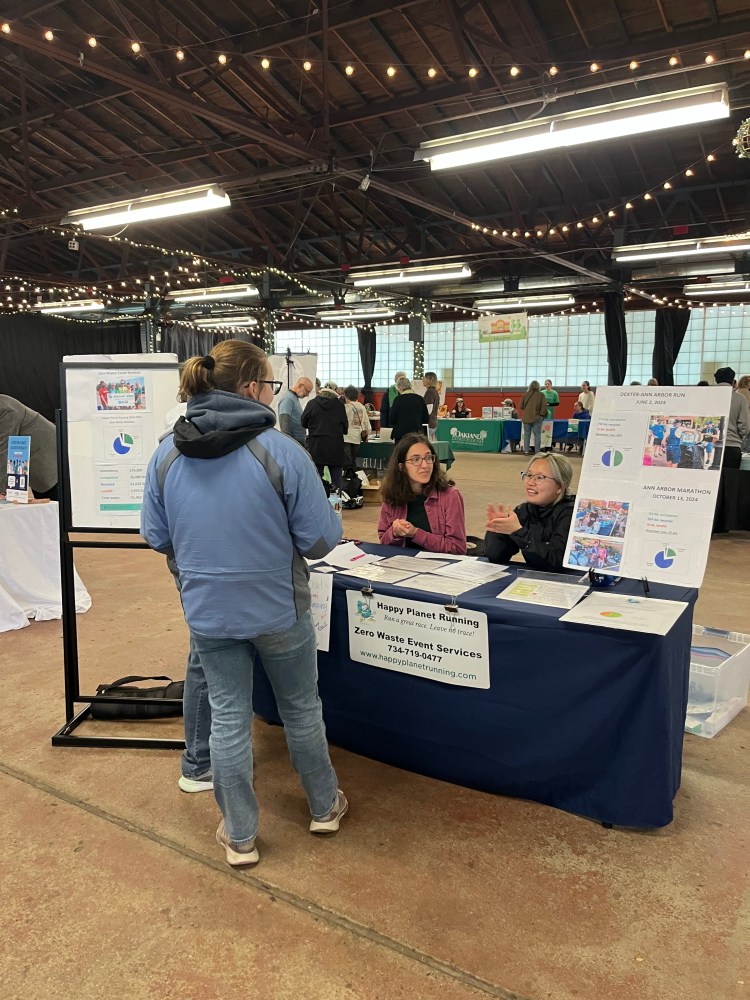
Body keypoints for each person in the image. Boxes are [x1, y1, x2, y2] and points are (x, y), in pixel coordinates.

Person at [140, 340, 346, 869]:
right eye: (272, 385)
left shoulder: (166, 452)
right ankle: (324, 807)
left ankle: (239, 835)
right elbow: (320, 542)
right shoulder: (281, 453)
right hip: (280, 608)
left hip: (209, 611)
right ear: (253, 388)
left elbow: (157, 536)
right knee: (301, 708)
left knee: (228, 714)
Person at [377, 433, 466, 554]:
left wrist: (416, 534)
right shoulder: (392, 495)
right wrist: (394, 532)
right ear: (402, 467)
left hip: (439, 568)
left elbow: (458, 549)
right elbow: (383, 542)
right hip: (402, 565)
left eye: (428, 458)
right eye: (416, 459)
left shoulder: (450, 496)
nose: (425, 465)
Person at [484, 453, 574, 572]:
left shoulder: (572, 514)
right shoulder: (524, 510)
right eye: (529, 475)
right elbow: (496, 557)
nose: (530, 482)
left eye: (540, 477)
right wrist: (499, 532)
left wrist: (519, 533)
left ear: (560, 486)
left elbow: (556, 562)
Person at [0, 394, 58, 500]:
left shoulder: (5, 409)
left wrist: (1, 490)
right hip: (37, 472)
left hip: (52, 467)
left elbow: (3, 453)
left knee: (58, 510)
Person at [301, 382, 348, 492]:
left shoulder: (312, 404)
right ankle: (337, 504)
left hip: (316, 444)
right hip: (335, 445)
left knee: (316, 478)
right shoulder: (340, 405)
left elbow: (303, 422)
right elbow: (345, 428)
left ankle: (318, 504)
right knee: (336, 478)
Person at [715, 367, 750, 469]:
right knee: (731, 481)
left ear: (716, 380)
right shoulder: (740, 399)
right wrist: (738, 437)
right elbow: (745, 426)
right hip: (732, 446)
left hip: (713, 445)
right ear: (733, 381)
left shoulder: (706, 397)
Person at [389, 376, 429, 443]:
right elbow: (425, 419)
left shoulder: (398, 400)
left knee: (401, 453)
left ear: (400, 387)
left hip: (400, 435)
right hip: (416, 434)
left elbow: (392, 420)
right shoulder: (420, 399)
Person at [342, 384, 371, 478]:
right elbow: (366, 423)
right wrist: (366, 435)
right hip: (357, 438)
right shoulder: (362, 407)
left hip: (346, 437)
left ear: (346, 396)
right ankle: (354, 482)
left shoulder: (345, 407)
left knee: (347, 463)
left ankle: (347, 483)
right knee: (353, 461)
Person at [278, 376, 313, 444]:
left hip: (297, 441)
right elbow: (284, 423)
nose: (307, 394)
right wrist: (289, 444)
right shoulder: (288, 399)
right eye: (307, 391)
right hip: (294, 442)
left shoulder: (293, 398)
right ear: (301, 386)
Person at [520, 380, 548, 455]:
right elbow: (544, 406)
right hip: (537, 417)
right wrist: (541, 415)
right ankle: (537, 451)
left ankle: (526, 451)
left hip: (526, 418)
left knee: (526, 434)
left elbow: (521, 406)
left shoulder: (525, 395)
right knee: (537, 435)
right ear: (539, 386)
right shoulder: (541, 395)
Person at [422, 372, 441, 442]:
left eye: (424, 378)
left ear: (430, 379)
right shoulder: (435, 391)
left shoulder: (429, 392)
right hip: (433, 422)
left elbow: (428, 410)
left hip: (428, 423)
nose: (422, 380)